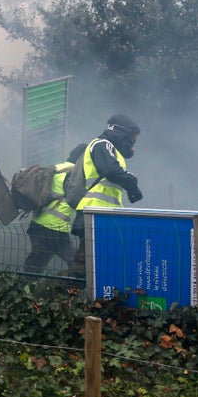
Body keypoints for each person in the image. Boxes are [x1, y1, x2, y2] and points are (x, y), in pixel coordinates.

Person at [69, 114, 143, 276]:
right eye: (131, 138)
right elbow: (111, 171)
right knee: (84, 264)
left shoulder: (113, 152)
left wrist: (130, 187)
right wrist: (132, 182)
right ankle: (72, 295)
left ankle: (90, 296)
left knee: (101, 263)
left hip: (105, 215)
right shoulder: (103, 144)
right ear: (120, 133)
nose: (132, 143)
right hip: (93, 213)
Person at [23, 143, 87, 276]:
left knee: (35, 265)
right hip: (56, 229)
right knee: (79, 266)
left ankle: (23, 292)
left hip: (37, 225)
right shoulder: (76, 175)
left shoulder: (56, 168)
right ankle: (75, 291)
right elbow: (77, 199)